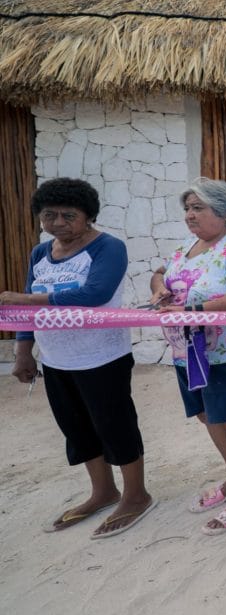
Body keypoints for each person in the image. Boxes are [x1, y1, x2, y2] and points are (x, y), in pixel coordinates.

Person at [4, 178, 156, 538]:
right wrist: (24, 351)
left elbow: (96, 293)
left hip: (102, 355)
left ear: (88, 216)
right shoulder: (40, 253)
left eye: (68, 215)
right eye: (48, 215)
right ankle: (103, 491)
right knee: (76, 427)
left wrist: (27, 300)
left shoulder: (107, 247)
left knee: (115, 425)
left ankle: (136, 494)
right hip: (56, 358)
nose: (57, 222)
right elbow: (28, 307)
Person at [150, 178, 226, 535]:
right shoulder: (190, 245)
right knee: (207, 415)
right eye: (187, 208)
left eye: (198, 208)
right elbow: (160, 274)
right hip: (186, 348)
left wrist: (192, 307)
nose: (189, 215)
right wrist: (159, 292)